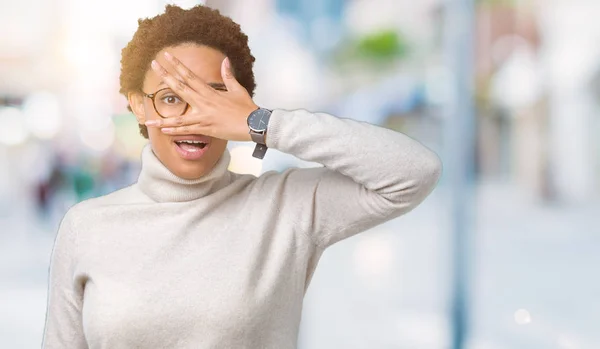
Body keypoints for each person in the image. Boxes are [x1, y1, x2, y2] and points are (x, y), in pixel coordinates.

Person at [41, 4, 442, 349]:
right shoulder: (86, 227)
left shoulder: (286, 208)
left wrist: (262, 123)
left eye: (212, 99)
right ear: (138, 107)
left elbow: (413, 172)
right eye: (169, 99)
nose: (192, 118)